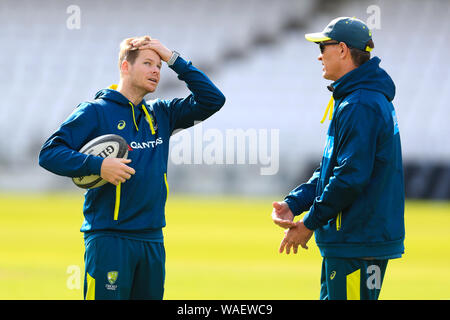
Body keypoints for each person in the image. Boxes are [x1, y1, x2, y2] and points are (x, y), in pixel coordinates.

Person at [39, 36, 225, 300]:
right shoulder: (95, 111)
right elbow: (49, 153)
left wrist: (172, 58)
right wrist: (99, 165)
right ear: (125, 67)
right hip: (109, 240)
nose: (155, 71)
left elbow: (213, 99)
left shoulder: (162, 114)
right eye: (148, 63)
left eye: (159, 66)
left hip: (152, 240)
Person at [271, 17, 405, 300]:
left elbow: (350, 177)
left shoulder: (360, 104)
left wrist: (309, 224)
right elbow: (333, 168)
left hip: (358, 241)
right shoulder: (357, 99)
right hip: (352, 240)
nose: (319, 56)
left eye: (323, 46)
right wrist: (294, 203)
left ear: (343, 50)